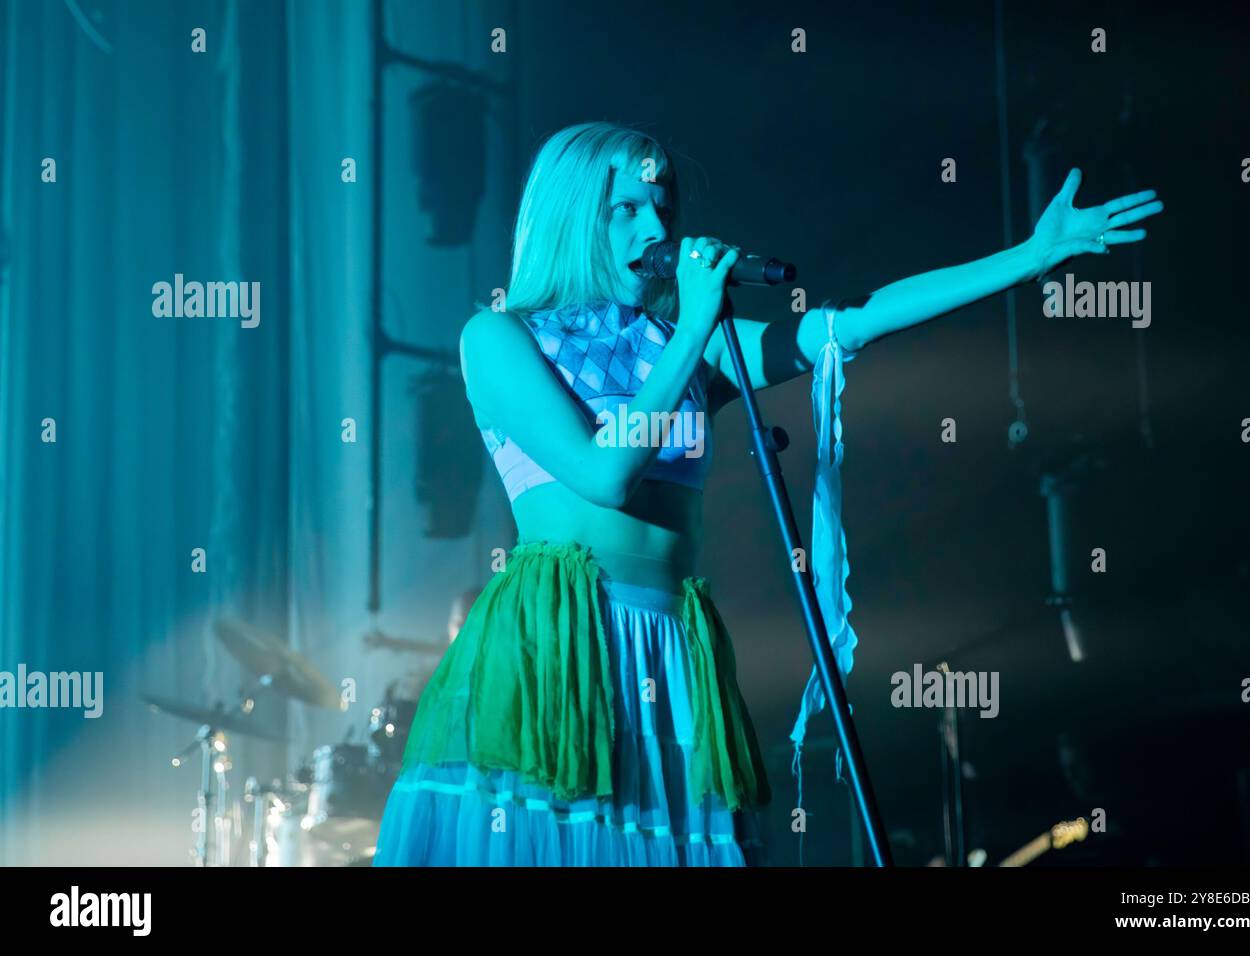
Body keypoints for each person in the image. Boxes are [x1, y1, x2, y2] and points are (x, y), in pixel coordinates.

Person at [372, 121, 1162, 867]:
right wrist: (691, 330)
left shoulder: (694, 344)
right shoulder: (503, 338)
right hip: (559, 636)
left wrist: (1028, 256)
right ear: (573, 216)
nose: (657, 226)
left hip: (672, 642)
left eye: (663, 206)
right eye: (626, 208)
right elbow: (602, 474)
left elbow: (853, 325)